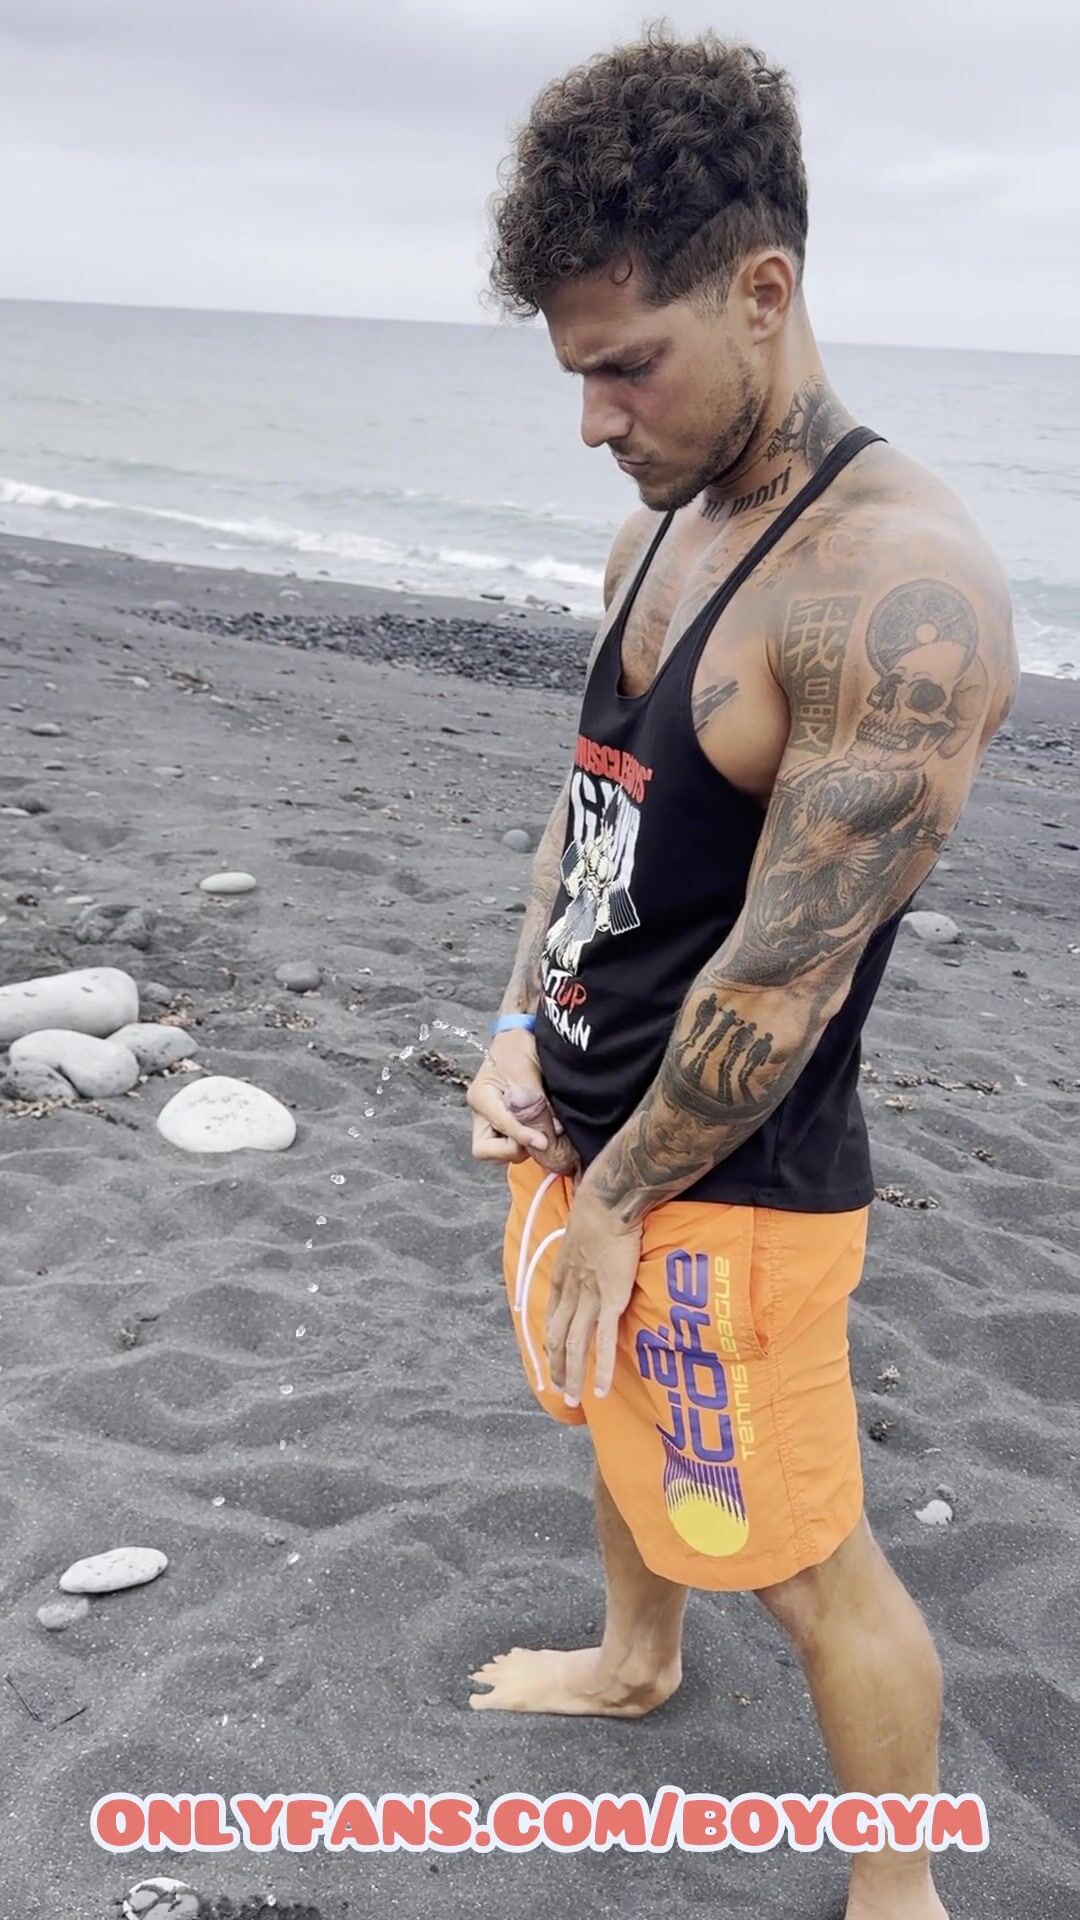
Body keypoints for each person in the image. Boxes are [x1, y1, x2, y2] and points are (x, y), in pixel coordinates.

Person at [465, 25, 1017, 1920]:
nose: (594, 418)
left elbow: (784, 986)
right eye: (577, 370)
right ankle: (636, 1660)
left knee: (805, 1562)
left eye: (627, 364)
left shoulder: (893, 592)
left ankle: (898, 1889)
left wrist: (624, 1199)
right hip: (584, 1133)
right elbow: (593, 809)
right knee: (605, 1412)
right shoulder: (665, 520)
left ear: (763, 293)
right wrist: (518, 1029)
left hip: (732, 1189)